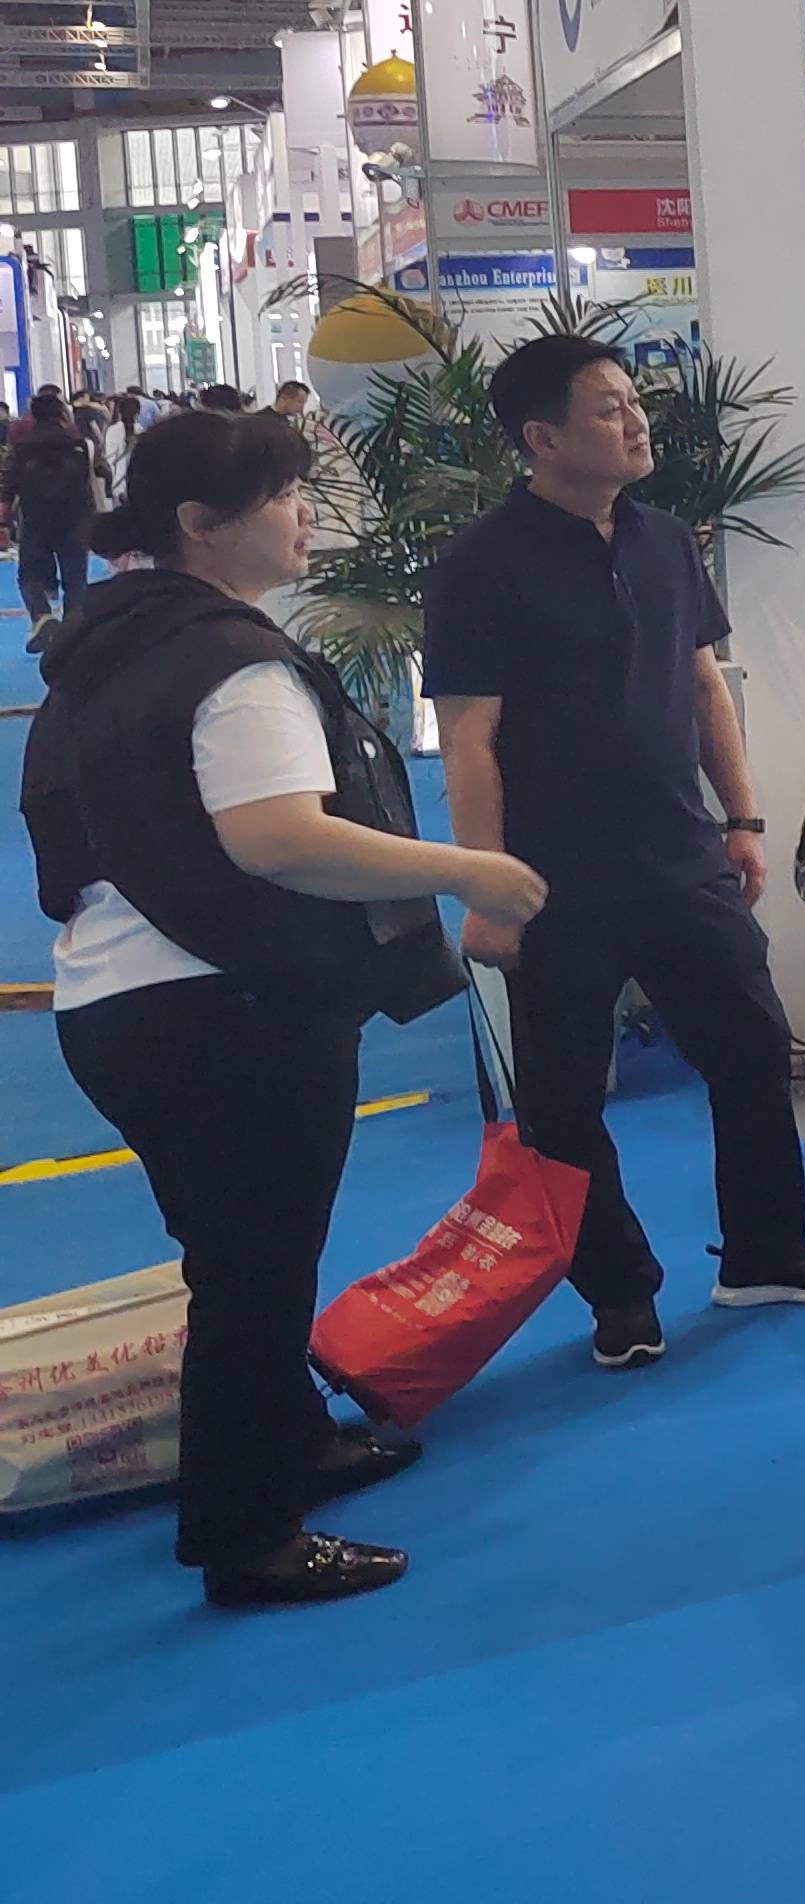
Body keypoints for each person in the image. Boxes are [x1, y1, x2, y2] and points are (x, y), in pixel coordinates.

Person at [26, 410, 547, 1607]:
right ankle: (247, 1532)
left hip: (117, 999)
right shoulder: (232, 662)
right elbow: (278, 838)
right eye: (280, 495)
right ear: (200, 524)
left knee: (242, 1255)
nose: (306, 512)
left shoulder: (113, 643)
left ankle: (290, 1444)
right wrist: (469, 870)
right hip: (224, 1007)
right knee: (252, 1274)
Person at [424, 334, 805, 1369]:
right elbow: (469, 738)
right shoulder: (480, 568)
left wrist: (744, 818)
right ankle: (621, 1294)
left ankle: (765, 1251)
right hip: (552, 881)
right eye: (607, 409)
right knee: (564, 1105)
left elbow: (705, 684)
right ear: (542, 438)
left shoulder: (665, 538)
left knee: (752, 1052)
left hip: (680, 857)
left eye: (633, 402)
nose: (634, 423)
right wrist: (486, 885)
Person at [12, 385, 100, 627]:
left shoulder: (22, 448)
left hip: (35, 520)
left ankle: (42, 617)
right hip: (74, 520)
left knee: (29, 575)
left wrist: (5, 519)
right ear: (62, 414)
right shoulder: (79, 446)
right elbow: (87, 483)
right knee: (75, 580)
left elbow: (10, 485)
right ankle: (73, 626)